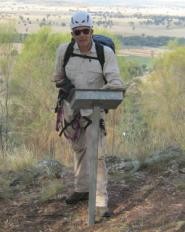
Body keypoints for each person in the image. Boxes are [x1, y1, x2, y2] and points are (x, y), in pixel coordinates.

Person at [53, 11, 124, 218]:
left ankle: (100, 203)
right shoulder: (64, 51)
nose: (82, 35)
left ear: (92, 31)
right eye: (77, 32)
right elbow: (57, 77)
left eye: (85, 31)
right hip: (70, 108)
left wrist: (110, 93)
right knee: (79, 149)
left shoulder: (105, 54)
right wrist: (69, 89)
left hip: (94, 109)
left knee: (97, 155)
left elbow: (115, 81)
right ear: (72, 33)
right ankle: (82, 188)